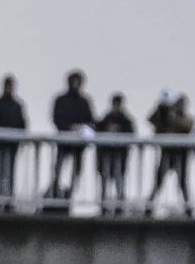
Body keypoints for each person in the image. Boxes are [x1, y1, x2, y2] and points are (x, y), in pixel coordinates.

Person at [48, 69, 95, 209]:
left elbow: (91, 120)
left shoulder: (84, 101)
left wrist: (81, 129)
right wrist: (68, 129)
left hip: (79, 146)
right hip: (63, 142)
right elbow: (56, 119)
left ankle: (69, 196)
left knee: (75, 173)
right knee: (59, 170)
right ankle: (55, 195)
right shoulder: (60, 100)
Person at [0, 73, 30, 206]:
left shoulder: (17, 106)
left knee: (9, 174)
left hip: (11, 146)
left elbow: (22, 125)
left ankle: (8, 200)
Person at [147, 89, 195, 210]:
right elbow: (152, 121)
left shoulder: (188, 119)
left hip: (180, 154)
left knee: (182, 183)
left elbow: (187, 126)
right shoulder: (167, 117)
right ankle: (149, 206)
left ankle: (188, 208)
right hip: (167, 153)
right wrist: (160, 109)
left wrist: (173, 117)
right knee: (158, 181)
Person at [96, 90, 138, 208]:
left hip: (119, 154)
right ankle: (103, 205)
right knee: (104, 178)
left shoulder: (126, 119)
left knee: (119, 178)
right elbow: (97, 130)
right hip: (106, 154)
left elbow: (131, 134)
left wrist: (119, 130)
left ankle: (120, 204)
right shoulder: (106, 118)